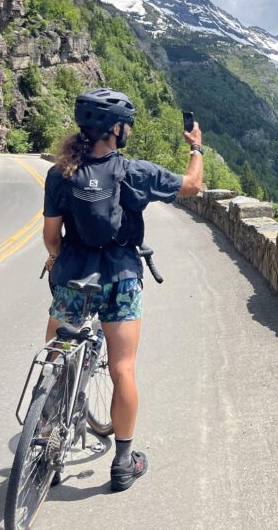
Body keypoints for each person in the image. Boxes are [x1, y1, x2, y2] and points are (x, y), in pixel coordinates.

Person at [41, 88, 203, 491]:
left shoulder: (61, 172)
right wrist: (196, 147)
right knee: (122, 369)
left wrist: (56, 258)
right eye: (125, 123)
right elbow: (193, 186)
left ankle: (45, 445)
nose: (127, 129)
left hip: (74, 277)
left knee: (55, 361)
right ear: (115, 129)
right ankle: (123, 463)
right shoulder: (135, 172)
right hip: (121, 278)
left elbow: (51, 235)